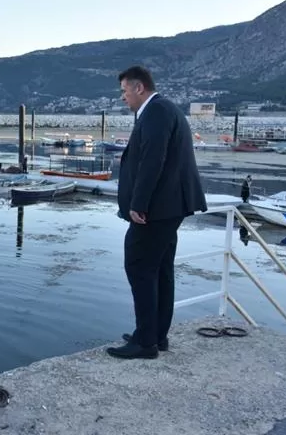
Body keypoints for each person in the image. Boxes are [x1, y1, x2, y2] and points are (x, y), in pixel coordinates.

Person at [107, 66, 207, 360]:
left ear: (139, 88)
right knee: (160, 269)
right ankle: (155, 335)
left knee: (139, 266)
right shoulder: (163, 110)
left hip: (156, 209)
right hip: (168, 206)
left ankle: (146, 342)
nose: (123, 98)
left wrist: (139, 204)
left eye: (124, 91)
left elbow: (153, 159)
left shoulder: (157, 112)